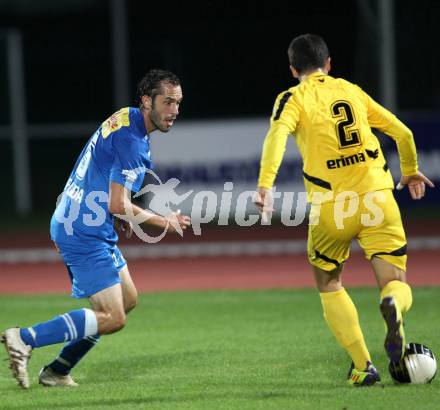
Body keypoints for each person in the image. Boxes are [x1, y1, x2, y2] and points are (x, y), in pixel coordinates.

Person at [254, 34, 435, 386]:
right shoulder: (351, 90)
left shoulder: (292, 98)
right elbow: (403, 133)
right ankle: (393, 305)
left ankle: (363, 366)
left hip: (331, 206)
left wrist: (265, 184)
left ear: (293, 69)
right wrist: (410, 170)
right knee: (395, 282)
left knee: (329, 282)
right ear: (329, 63)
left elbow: (276, 136)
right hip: (377, 197)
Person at [2, 69, 191, 389]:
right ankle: (24, 338)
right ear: (147, 101)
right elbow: (119, 205)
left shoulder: (125, 116)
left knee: (128, 300)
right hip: (82, 229)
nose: (174, 110)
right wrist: (165, 223)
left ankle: (58, 370)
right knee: (113, 317)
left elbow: (99, 169)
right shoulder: (134, 144)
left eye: (178, 102)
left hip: (79, 217)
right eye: (167, 102)